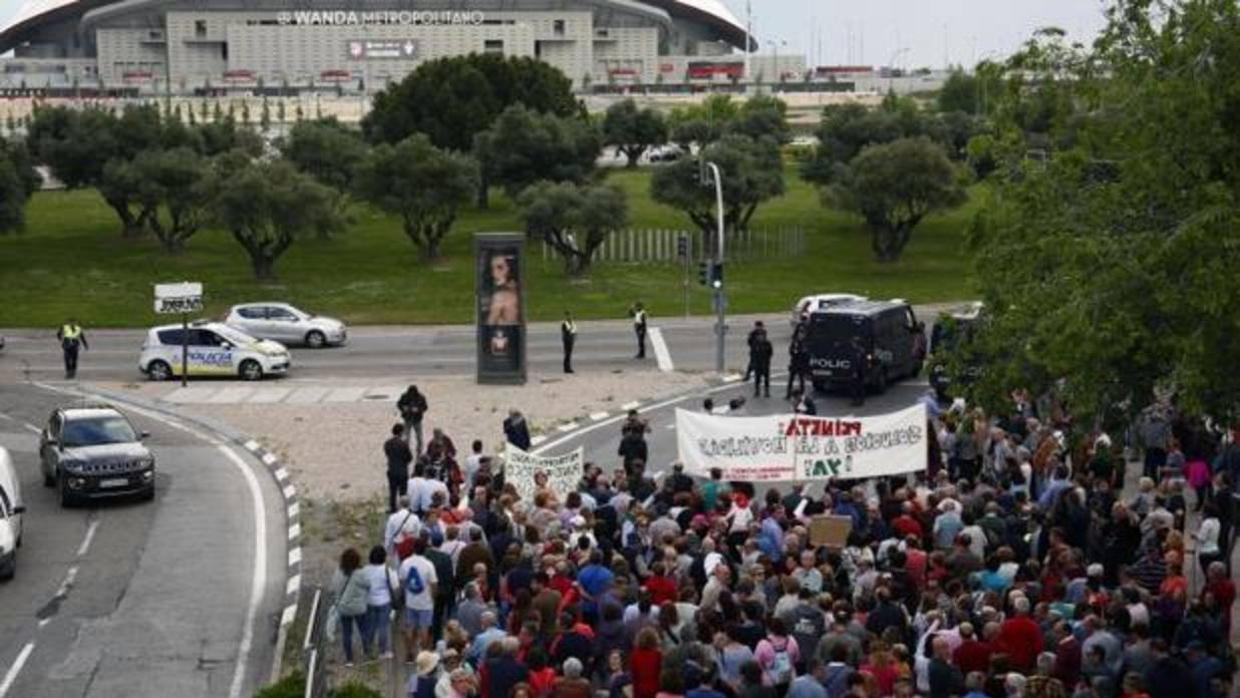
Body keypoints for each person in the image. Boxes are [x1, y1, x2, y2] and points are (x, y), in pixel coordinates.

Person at [399, 539, 439, 660]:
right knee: (424, 628)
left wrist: (407, 592)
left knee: (410, 627)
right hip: (425, 602)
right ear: (425, 550)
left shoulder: (406, 563)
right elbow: (433, 584)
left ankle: (409, 653)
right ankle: (423, 654)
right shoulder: (428, 564)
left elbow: (402, 581)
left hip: (411, 601)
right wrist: (433, 598)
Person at [331, 547, 371, 667]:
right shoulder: (360, 573)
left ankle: (349, 659)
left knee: (347, 633)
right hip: (359, 608)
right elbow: (368, 585)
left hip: (344, 607)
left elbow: (334, 587)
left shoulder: (338, 572)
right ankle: (367, 653)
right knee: (363, 630)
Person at [361, 545, 395, 660]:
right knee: (383, 627)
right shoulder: (386, 570)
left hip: (369, 601)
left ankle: (368, 650)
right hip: (384, 602)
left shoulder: (365, 570)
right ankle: (382, 651)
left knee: (370, 626)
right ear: (383, 557)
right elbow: (395, 585)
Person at [384, 423, 414, 513]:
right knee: (403, 492)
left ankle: (392, 508)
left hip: (392, 469)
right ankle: (402, 508)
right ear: (401, 432)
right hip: (402, 470)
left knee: (392, 491)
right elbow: (410, 457)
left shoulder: (388, 443)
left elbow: (387, 453)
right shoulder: (403, 444)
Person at [397, 385, 428, 455]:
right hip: (407, 419)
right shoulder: (404, 396)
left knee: (419, 436)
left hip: (417, 419)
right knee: (406, 436)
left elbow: (425, 407)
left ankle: (419, 450)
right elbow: (399, 404)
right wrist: (403, 408)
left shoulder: (421, 397)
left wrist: (418, 410)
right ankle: (406, 449)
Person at [786, 323, 809, 400]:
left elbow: (806, 354)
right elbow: (791, 351)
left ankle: (802, 394)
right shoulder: (795, 342)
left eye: (802, 334)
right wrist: (794, 352)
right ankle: (788, 393)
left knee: (801, 380)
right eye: (799, 334)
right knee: (791, 379)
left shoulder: (805, 343)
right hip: (794, 363)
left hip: (801, 364)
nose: (800, 335)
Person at [751, 329, 773, 399]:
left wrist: (767, 360)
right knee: (757, 378)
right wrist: (754, 362)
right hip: (758, 363)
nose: (760, 337)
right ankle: (757, 391)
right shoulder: (755, 343)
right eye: (759, 336)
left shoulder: (767, 343)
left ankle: (766, 391)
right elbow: (752, 353)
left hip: (765, 363)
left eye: (761, 336)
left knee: (766, 378)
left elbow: (770, 352)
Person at [847, 336, 868, 407]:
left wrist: (855, 372)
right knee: (859, 386)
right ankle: (859, 400)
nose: (852, 344)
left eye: (853, 343)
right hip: (859, 372)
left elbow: (857, 363)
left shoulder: (858, 352)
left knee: (856, 387)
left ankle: (857, 401)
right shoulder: (860, 350)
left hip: (857, 372)